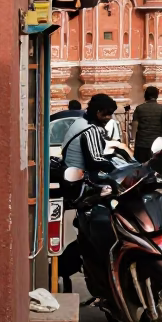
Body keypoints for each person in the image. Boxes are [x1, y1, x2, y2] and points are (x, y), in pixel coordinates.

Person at [58, 94, 117, 292]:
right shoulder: (89, 129)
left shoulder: (80, 122)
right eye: (107, 114)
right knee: (100, 230)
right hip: (81, 187)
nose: (109, 118)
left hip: (72, 181)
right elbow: (94, 161)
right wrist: (116, 168)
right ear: (99, 113)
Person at [132, 86, 162, 164]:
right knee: (156, 165)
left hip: (142, 142)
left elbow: (135, 124)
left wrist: (132, 139)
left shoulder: (139, 108)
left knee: (141, 166)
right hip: (157, 142)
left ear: (145, 95)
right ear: (157, 96)